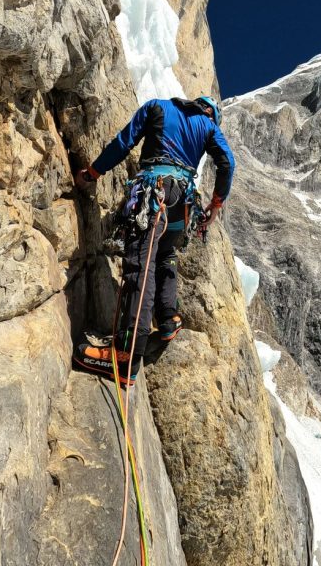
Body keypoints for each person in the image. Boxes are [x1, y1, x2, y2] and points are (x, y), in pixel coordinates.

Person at [72, 95, 234, 384]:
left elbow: (124, 142)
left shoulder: (158, 106)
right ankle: (168, 317)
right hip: (183, 202)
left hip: (153, 191)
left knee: (141, 263)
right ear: (211, 113)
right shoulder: (209, 127)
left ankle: (127, 355)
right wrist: (216, 203)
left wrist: (93, 173)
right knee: (165, 255)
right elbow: (227, 163)